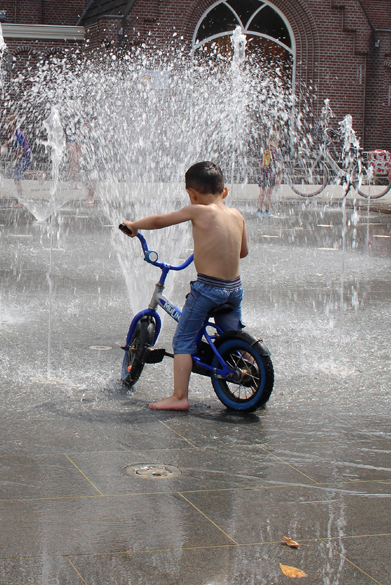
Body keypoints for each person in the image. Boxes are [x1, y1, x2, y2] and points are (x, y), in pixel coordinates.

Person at [120, 161, 249, 411]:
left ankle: (180, 397)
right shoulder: (237, 215)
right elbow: (242, 252)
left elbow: (160, 221)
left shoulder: (198, 210)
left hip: (208, 289)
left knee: (183, 341)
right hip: (234, 289)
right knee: (230, 335)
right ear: (225, 191)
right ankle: (248, 364)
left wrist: (135, 226)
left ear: (191, 194)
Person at [0, 115, 32, 202]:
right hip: (24, 156)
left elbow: (20, 148)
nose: (7, 127)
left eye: (8, 125)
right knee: (19, 174)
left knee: (16, 177)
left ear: (12, 125)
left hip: (26, 156)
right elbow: (6, 143)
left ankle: (21, 201)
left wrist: (16, 160)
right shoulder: (11, 132)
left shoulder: (17, 133)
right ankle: (38, 174)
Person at [256, 130, 280, 217]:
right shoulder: (276, 150)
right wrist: (279, 176)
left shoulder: (265, 149)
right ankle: (267, 211)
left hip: (263, 174)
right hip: (271, 175)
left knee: (262, 192)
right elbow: (279, 164)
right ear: (277, 140)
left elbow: (259, 160)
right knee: (269, 193)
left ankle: (259, 210)